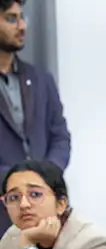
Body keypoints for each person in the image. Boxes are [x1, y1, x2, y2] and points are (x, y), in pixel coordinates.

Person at [0, 0, 71, 234]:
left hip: (45, 212)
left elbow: (60, 135)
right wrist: (18, 182)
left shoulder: (40, 78)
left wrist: (46, 176)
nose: (22, 26)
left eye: (23, 18)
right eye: (11, 18)